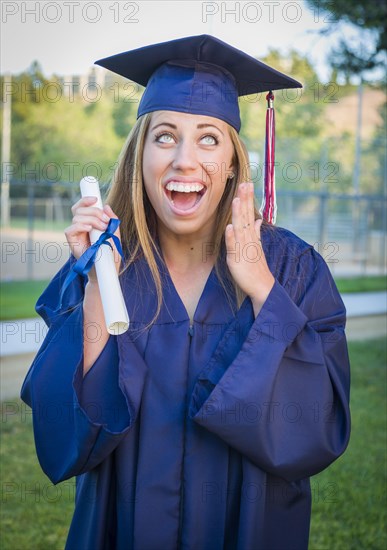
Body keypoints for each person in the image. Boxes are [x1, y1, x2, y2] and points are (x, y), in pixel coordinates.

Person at [21, 35, 351, 550]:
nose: (184, 160)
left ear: (235, 161)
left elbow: (318, 427)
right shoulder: (107, 267)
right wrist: (93, 284)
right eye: (166, 136)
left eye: (209, 139)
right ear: (140, 155)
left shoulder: (292, 268)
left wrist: (261, 288)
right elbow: (65, 438)